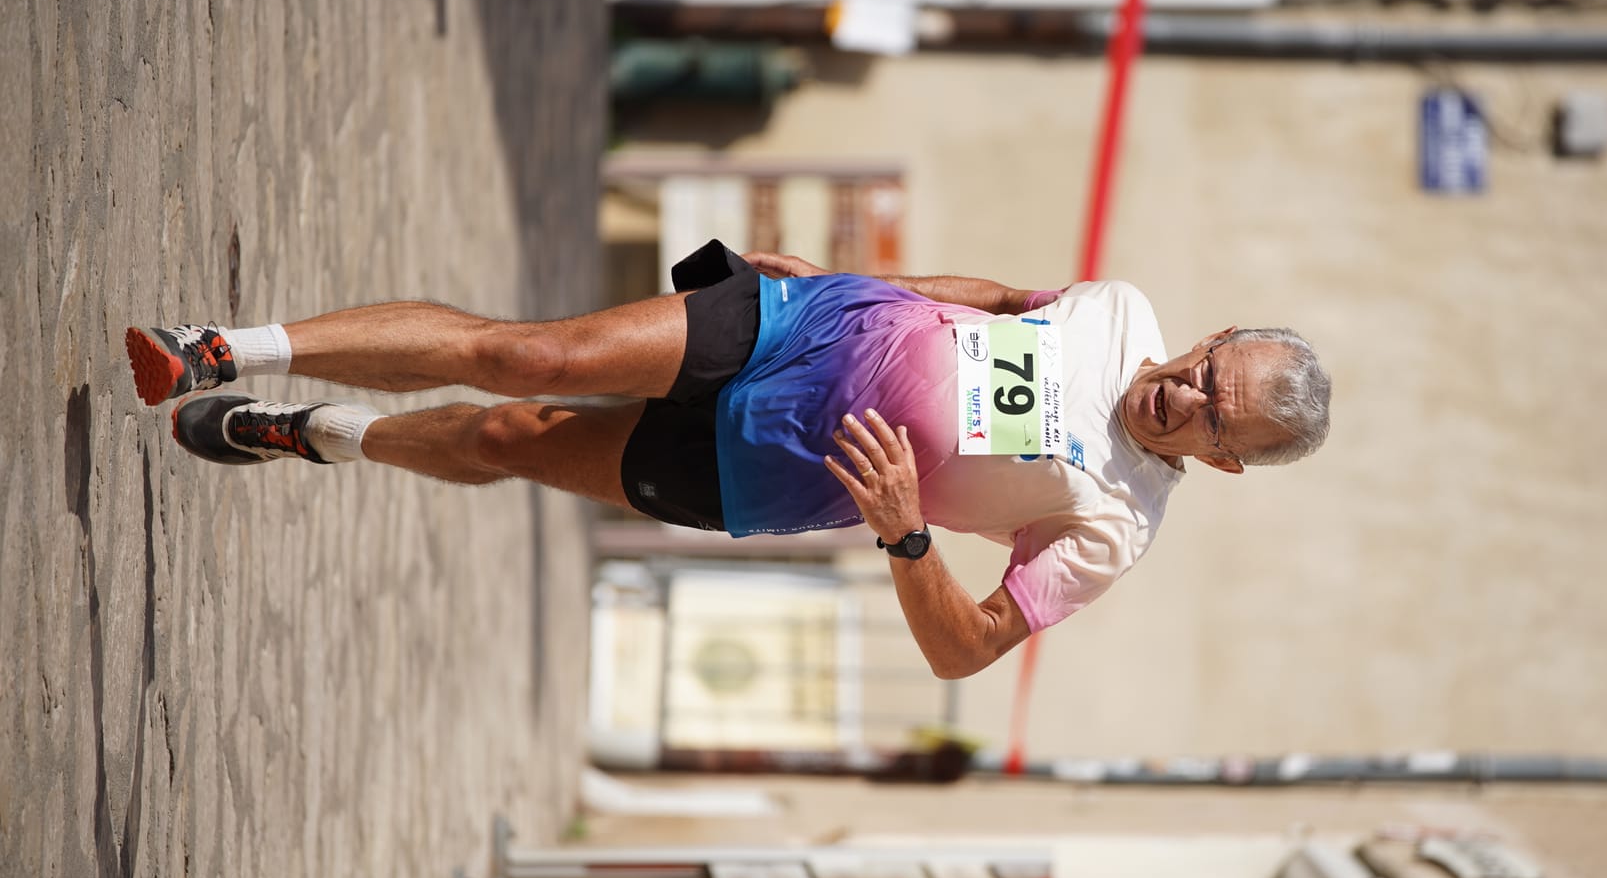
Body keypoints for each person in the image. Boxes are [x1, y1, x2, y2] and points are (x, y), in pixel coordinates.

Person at [125, 248, 1329, 680]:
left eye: (1209, 421)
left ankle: (321, 433)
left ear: (1219, 463)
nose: (1179, 396)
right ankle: (225, 349)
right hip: (801, 322)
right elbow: (1002, 299)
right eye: (1202, 371)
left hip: (773, 470)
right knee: (525, 357)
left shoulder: (1113, 528)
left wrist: (907, 534)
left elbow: (964, 651)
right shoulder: (1115, 306)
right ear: (1209, 337)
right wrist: (837, 280)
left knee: (508, 440)